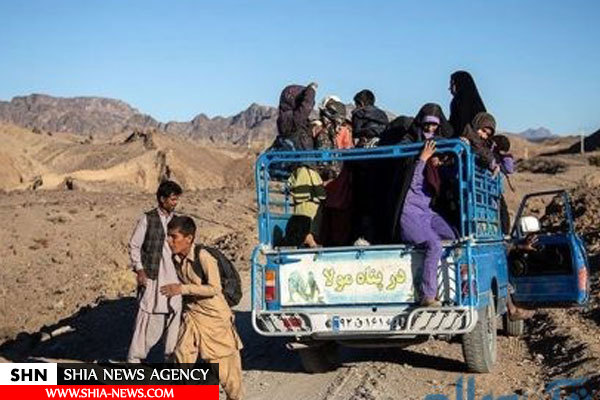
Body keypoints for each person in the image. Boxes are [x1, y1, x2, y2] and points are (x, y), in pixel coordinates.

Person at [161, 216, 244, 400]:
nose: (169, 241)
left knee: (226, 368)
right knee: (182, 353)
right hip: (192, 315)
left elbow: (214, 288)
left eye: (174, 237)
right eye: (168, 236)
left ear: (189, 238)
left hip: (214, 318)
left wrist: (182, 289)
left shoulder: (204, 257)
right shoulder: (175, 258)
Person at [127, 180, 183, 363]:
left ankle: (171, 360)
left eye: (176, 199)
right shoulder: (147, 219)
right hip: (153, 277)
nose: (175, 203)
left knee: (175, 314)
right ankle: (135, 359)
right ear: (162, 199)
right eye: (172, 199)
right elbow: (134, 246)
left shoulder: (177, 221)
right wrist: (140, 270)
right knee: (149, 317)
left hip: (174, 277)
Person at [400, 139, 457, 307]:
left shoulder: (433, 176)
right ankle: (428, 295)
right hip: (411, 216)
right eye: (436, 158)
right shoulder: (419, 173)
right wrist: (423, 159)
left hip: (426, 214)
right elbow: (414, 179)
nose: (438, 162)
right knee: (435, 245)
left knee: (452, 236)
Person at [275, 82, 318, 151]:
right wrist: (311, 91)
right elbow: (305, 108)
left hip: (303, 153)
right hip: (301, 155)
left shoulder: (288, 117)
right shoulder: (288, 117)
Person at [448, 70, 487, 137]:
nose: (449, 88)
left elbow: (457, 125)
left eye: (452, 84)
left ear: (459, 84)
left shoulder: (459, 101)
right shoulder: (477, 102)